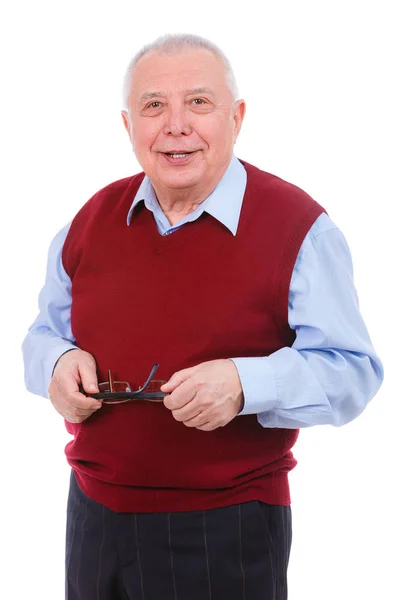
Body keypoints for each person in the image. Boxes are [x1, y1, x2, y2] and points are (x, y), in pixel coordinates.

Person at [22, 33, 383, 600]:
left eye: (198, 102)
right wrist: (57, 361)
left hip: (226, 528)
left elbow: (353, 371)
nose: (176, 125)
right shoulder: (87, 222)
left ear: (236, 117)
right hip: (92, 515)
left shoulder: (302, 229)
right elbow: (43, 333)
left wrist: (246, 384)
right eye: (153, 106)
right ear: (128, 126)